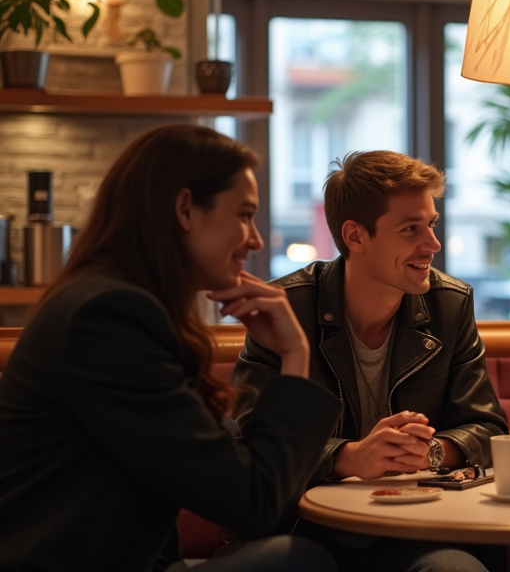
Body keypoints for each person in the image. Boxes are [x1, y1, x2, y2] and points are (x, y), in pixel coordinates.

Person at [0, 124, 341, 571]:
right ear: (185, 209)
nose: (255, 239)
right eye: (243, 214)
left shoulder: (107, 301)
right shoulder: (108, 318)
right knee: (298, 560)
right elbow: (254, 502)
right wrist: (295, 354)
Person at [233, 150, 509, 571]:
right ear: (356, 236)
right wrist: (351, 457)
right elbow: (249, 441)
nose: (432, 243)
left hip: (420, 530)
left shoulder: (450, 304)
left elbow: (488, 428)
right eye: (411, 228)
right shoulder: (287, 307)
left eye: (431, 224)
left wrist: (430, 452)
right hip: (305, 529)